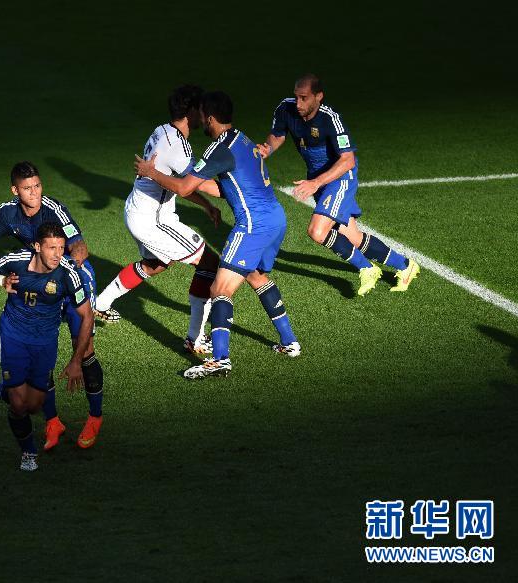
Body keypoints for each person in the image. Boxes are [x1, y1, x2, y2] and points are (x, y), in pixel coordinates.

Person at [136, 91, 300, 378]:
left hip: (252, 225)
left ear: (209, 118)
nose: (200, 119)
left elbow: (185, 188)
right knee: (255, 276)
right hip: (275, 219)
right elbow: (222, 188)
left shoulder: (217, 150)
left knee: (219, 289)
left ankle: (220, 359)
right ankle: (290, 342)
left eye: (201, 115)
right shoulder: (243, 140)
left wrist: (152, 173)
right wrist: (204, 194)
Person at [0, 161, 105, 450]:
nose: (34, 193)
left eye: (37, 185)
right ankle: (53, 421)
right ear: (15, 190)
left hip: (71, 277)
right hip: (37, 279)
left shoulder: (54, 209)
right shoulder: (8, 213)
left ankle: (95, 416)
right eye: (27, 188)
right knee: (39, 343)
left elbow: (80, 246)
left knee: (83, 349)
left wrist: (63, 268)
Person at [0, 223, 93, 470]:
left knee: (33, 406)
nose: (58, 254)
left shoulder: (69, 273)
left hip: (45, 342)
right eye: (51, 248)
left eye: (61, 248)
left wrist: (76, 360)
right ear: (37, 247)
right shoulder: (17, 260)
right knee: (17, 403)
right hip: (13, 335)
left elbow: (87, 316)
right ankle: (28, 452)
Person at [258, 74, 420, 295]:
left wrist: (315, 183)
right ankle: (406, 266)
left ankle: (367, 268)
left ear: (318, 97)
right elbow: (277, 135)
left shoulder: (330, 119)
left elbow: (348, 160)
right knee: (353, 238)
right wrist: (268, 148)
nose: (298, 103)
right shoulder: (286, 109)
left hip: (339, 177)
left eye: (304, 98)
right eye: (296, 97)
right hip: (319, 178)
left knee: (317, 231)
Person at [92, 85, 223, 355]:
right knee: (210, 263)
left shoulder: (161, 130)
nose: (204, 113)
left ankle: (100, 303)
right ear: (190, 111)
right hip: (153, 219)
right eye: (201, 108)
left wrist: (206, 206)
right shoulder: (178, 147)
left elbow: (180, 184)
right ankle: (195, 339)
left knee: (155, 264)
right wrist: (235, 190)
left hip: (138, 210)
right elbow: (197, 184)